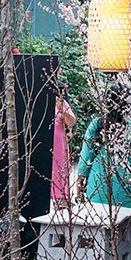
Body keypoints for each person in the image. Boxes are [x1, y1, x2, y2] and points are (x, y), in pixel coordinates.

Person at [73, 89, 131, 220]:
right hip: (128, 187)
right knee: (126, 229)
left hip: (98, 183)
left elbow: (86, 158)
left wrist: (79, 186)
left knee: (96, 227)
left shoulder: (98, 123)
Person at [50, 66, 78, 208]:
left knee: (59, 167)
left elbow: (71, 120)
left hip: (58, 139)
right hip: (44, 140)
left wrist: (61, 109)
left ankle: (60, 198)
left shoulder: (59, 99)